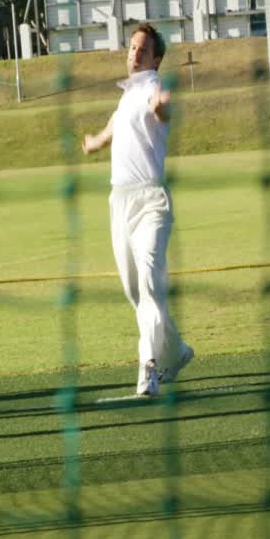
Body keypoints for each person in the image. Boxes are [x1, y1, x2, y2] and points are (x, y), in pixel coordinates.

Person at [81, 24, 194, 397]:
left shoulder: (152, 87)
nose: (134, 54)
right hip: (120, 203)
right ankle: (175, 352)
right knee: (135, 291)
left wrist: (163, 105)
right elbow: (118, 123)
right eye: (131, 48)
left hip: (151, 203)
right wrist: (96, 142)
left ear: (155, 59)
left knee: (148, 283)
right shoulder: (128, 94)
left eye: (142, 50)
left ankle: (149, 367)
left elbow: (162, 107)